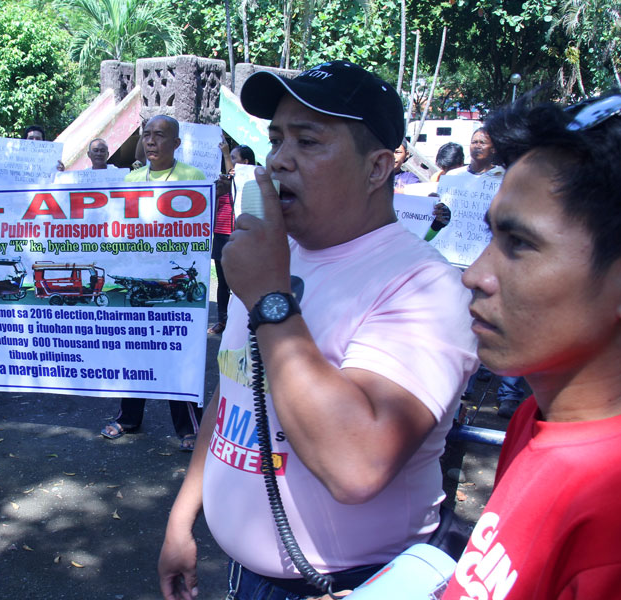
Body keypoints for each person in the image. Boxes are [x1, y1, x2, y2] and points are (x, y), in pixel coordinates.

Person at [158, 60, 477, 600]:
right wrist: (182, 517)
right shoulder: (273, 257)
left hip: (347, 585)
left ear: (378, 168)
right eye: (277, 139)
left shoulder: (424, 287)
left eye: (308, 141)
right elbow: (236, 389)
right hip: (245, 577)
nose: (280, 159)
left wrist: (268, 298)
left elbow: (356, 466)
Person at [443, 94, 621, 599]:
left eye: (518, 244)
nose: (476, 275)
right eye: (491, 235)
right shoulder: (532, 419)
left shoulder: (610, 522)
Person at [100, 115, 206, 450]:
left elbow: (197, 232)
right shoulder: (132, 178)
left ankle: (189, 427)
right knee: (134, 350)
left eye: (159, 136)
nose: (150, 142)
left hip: (174, 275)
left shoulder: (193, 177)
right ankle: (127, 418)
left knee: (177, 353)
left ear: (176, 144)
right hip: (140, 273)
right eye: (146, 135)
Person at [208, 141, 255, 335]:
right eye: (230, 159)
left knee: (241, 280)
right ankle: (222, 320)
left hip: (239, 235)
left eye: (234, 159)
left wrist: (226, 153)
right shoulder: (224, 182)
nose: (230, 164)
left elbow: (238, 182)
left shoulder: (250, 181)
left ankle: (243, 321)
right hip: (221, 235)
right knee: (222, 281)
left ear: (245, 162)